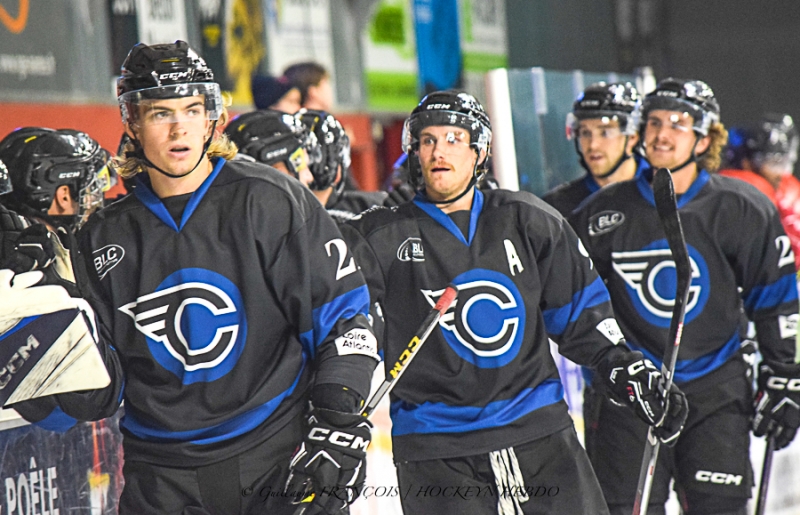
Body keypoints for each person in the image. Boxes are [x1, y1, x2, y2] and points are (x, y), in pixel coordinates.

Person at [6, 40, 379, 515]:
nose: (179, 127)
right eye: (161, 113)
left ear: (211, 117)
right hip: (161, 480)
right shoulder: (97, 236)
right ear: (133, 123)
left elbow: (344, 320)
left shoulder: (269, 200)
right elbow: (93, 392)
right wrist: (31, 332)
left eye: (191, 108)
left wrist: (339, 419)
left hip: (278, 462)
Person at [338, 90, 688, 515]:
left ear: (479, 151)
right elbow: (343, 323)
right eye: (427, 140)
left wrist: (623, 366)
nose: (438, 151)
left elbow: (580, 314)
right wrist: (334, 406)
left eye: (452, 138)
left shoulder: (527, 218)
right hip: (436, 449)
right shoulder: (376, 236)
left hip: (537, 434)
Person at [570, 78, 800, 515]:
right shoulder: (599, 215)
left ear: (705, 135)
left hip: (715, 394)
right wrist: (615, 367)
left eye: (678, 123)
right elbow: (576, 308)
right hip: (630, 398)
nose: (661, 134)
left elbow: (776, 298)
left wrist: (785, 373)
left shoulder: (742, 207)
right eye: (653, 122)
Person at [543, 82, 645, 218]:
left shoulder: (667, 191)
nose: (593, 145)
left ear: (632, 137)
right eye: (585, 133)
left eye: (605, 133)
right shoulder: (557, 208)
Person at [719, 114, 800, 267]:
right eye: (774, 163)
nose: (781, 173)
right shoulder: (735, 191)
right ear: (747, 162)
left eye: (786, 163)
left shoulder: (787, 190)